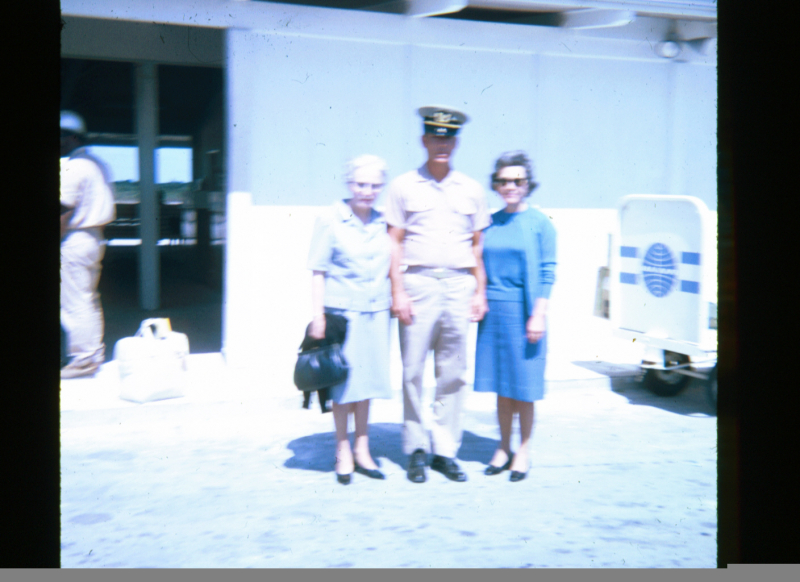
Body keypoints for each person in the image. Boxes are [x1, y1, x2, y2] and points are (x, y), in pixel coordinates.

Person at [385, 106, 491, 484]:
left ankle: (444, 451)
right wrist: (397, 289)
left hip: (459, 286)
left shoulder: (471, 189)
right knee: (413, 370)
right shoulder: (403, 186)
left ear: (456, 142)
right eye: (435, 136)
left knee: (453, 373)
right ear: (424, 140)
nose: (442, 144)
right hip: (418, 284)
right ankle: (415, 448)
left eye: (449, 138)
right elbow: (393, 242)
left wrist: (480, 291)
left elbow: (477, 245)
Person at [306, 155, 393, 485]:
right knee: (343, 384)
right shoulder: (330, 219)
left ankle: (363, 447)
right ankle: (342, 448)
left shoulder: (385, 221)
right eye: (360, 184)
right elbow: (318, 270)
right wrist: (318, 317)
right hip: (343, 315)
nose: (367, 191)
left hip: (377, 314)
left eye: (374, 185)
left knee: (366, 383)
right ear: (349, 183)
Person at [474, 151, 556, 482]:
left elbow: (548, 271)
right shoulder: (489, 221)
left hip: (525, 314)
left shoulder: (540, 223)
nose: (511, 186)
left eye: (517, 181)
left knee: (524, 387)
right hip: (493, 314)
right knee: (502, 387)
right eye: (504, 181)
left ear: (527, 184)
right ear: (496, 184)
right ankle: (503, 446)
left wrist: (538, 314)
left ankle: (523, 450)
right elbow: (476, 262)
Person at [60, 111, 116, 379]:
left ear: (71, 137)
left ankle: (82, 359)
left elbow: (62, 211)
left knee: (74, 302)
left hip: (75, 238)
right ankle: (93, 354)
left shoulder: (73, 166)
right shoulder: (98, 164)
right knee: (88, 299)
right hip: (94, 237)